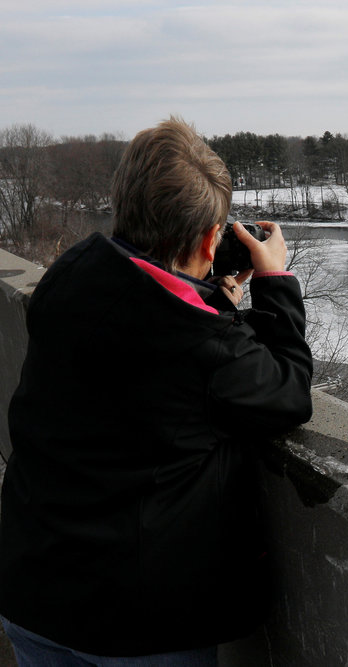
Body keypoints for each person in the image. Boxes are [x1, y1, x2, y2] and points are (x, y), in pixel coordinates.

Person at [0, 117, 313, 665]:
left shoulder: (71, 275)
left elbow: (144, 330)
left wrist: (209, 297)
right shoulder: (201, 346)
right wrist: (277, 284)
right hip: (135, 629)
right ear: (206, 239)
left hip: (31, 590)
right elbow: (287, 392)